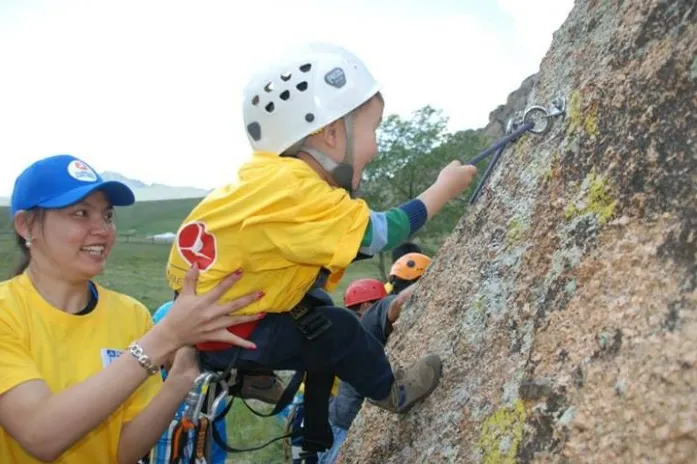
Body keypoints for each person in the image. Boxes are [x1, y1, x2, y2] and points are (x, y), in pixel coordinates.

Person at [164, 42, 477, 455]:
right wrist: (443, 189)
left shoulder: (262, 177)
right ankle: (392, 391)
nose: (377, 146)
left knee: (312, 300)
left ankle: (249, 372)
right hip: (229, 330)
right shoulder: (301, 192)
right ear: (332, 133)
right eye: (373, 128)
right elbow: (379, 234)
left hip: (203, 318)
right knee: (340, 329)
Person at [0, 154, 262, 463]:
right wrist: (164, 337)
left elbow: (124, 451)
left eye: (107, 215)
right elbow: (41, 435)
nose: (102, 230)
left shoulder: (131, 314)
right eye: (81, 213)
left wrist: (181, 378)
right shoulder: (8, 313)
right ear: (26, 225)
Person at [317, 276, 420, 464]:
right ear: (367, 305)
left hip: (332, 420)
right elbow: (401, 301)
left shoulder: (346, 329)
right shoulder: (371, 316)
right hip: (346, 426)